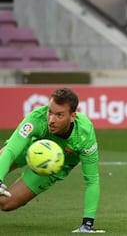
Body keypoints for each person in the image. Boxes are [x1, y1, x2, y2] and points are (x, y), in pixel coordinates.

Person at [0, 87, 105, 233]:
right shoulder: (37, 118)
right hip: (29, 148)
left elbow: (92, 180)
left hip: (54, 166)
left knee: (5, 203)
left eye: (59, 115)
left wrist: (87, 223)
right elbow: (11, 149)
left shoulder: (84, 135)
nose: (51, 120)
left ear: (73, 116)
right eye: (50, 112)